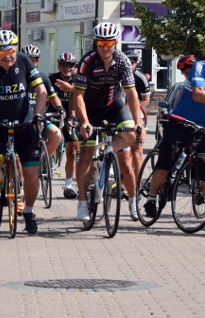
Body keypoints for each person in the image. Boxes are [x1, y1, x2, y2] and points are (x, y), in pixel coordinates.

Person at [142, 37, 205, 233]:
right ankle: (151, 197)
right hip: (180, 123)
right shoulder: (201, 67)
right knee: (166, 165)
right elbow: (198, 94)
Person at [0, 30, 47, 234]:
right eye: (3, 51)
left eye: (12, 50)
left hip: (25, 127)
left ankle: (29, 212)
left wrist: (38, 115)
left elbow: (41, 91)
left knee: (31, 175)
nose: (8, 55)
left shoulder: (24, 61)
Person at [72, 23, 140, 222]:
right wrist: (84, 121)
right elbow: (77, 96)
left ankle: (133, 202)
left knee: (129, 140)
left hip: (113, 104)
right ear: (96, 43)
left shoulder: (123, 61)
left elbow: (131, 93)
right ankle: (83, 202)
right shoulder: (88, 61)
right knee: (85, 154)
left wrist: (137, 122)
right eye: (101, 43)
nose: (105, 47)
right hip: (90, 107)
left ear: (115, 43)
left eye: (109, 43)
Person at [21, 44, 66, 167]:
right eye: (26, 59)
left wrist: (60, 108)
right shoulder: (16, 77)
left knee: (56, 134)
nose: (29, 63)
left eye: (33, 60)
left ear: (37, 61)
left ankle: (41, 160)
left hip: (39, 119)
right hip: (21, 121)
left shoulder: (43, 77)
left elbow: (53, 97)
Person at [50, 52, 79, 198]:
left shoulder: (78, 80)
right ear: (58, 66)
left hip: (71, 117)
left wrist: (73, 117)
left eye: (70, 65)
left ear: (75, 67)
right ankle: (45, 161)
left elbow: (83, 96)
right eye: (63, 65)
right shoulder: (51, 79)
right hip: (53, 115)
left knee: (72, 151)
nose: (66, 68)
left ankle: (68, 185)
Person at [126, 49, 151, 184]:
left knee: (136, 150)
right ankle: (124, 181)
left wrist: (136, 107)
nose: (129, 65)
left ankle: (138, 182)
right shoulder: (117, 74)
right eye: (127, 62)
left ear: (136, 64)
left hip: (137, 114)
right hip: (120, 113)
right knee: (124, 150)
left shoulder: (140, 78)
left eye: (132, 63)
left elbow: (146, 100)